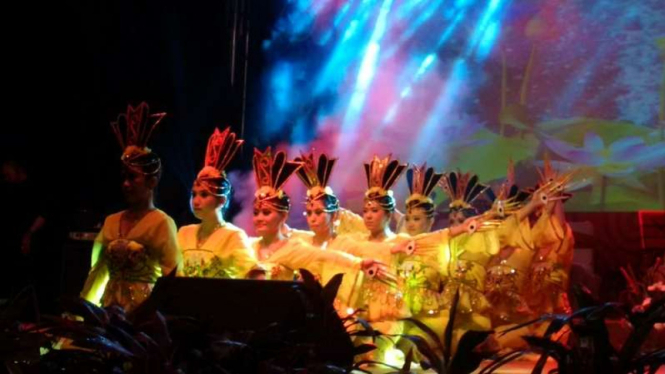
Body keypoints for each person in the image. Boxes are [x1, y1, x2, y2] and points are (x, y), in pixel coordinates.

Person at [80, 102, 181, 312]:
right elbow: (97, 274)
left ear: (152, 182)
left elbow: (172, 279)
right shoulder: (111, 221)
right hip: (110, 312)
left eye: (133, 177)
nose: (126, 183)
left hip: (144, 317)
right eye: (124, 177)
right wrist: (84, 312)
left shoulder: (161, 222)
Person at [177, 127, 256, 279]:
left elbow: (256, 272)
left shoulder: (233, 236)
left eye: (204, 195)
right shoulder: (184, 233)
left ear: (221, 200)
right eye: (194, 195)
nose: (196, 201)